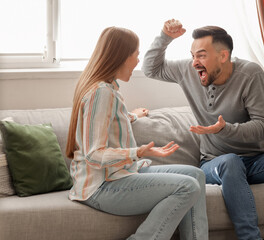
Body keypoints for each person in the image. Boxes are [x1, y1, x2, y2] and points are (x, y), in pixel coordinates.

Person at [142, 19, 264, 240]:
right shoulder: (188, 70)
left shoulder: (250, 75)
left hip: (256, 161)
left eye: (201, 55)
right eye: (193, 54)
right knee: (230, 161)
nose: (195, 62)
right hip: (215, 162)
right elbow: (150, 68)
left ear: (223, 56)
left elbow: (263, 128)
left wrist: (225, 129)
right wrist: (164, 37)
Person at [66, 26, 209, 240]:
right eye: (136, 55)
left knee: (196, 174)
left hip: (119, 175)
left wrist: (132, 116)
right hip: (101, 186)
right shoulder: (102, 92)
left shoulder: (107, 89)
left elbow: (108, 120)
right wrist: (138, 152)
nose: (137, 61)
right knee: (187, 186)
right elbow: (93, 155)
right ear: (122, 57)